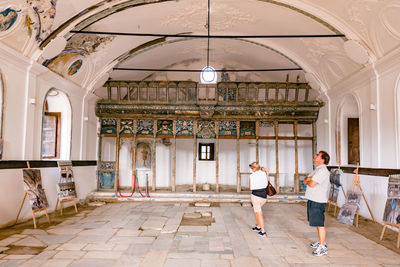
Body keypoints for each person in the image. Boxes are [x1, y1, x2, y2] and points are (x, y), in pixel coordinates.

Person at [303, 151, 330, 256]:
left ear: (322, 159)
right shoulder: (317, 170)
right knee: (316, 222)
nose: (315, 156)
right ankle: (321, 241)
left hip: (318, 200)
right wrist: (309, 179)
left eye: (317, 155)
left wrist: (310, 179)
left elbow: (312, 184)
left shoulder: (323, 171)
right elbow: (305, 180)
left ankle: (322, 247)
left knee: (320, 223)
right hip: (313, 199)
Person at [249, 161, 269, 237]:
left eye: (252, 168)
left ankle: (263, 231)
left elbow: (250, 187)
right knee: (256, 212)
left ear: (254, 168)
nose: (251, 169)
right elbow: (268, 182)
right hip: (264, 196)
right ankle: (258, 226)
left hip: (256, 196)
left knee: (259, 213)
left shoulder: (252, 175)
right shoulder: (264, 173)